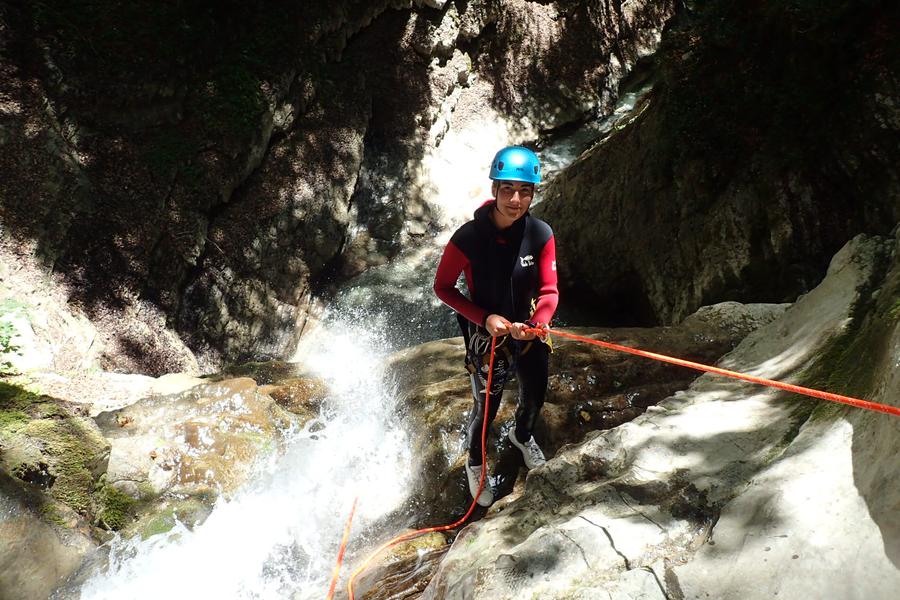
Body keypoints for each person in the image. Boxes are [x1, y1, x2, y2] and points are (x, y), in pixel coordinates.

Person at [433, 145, 559, 506]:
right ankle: (476, 462)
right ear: (494, 190)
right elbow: (443, 287)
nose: (516, 199)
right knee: (486, 407)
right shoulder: (468, 238)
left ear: (534, 193)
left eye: (525, 191)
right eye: (507, 189)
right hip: (487, 332)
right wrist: (483, 318)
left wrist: (539, 323)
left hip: (530, 328)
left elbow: (549, 290)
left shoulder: (541, 233)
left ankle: (522, 434)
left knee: (535, 393)